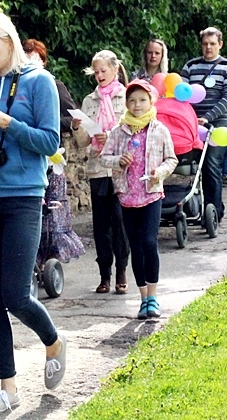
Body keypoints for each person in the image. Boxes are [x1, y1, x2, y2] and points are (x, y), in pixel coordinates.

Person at [0, 11, 66, 416]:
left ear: (9, 40)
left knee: (17, 295)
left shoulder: (40, 82)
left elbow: (50, 141)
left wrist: (8, 122)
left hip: (22, 196)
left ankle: (53, 340)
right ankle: (8, 387)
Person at [100, 79, 177, 320]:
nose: (137, 105)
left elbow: (171, 159)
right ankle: (143, 298)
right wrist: (118, 161)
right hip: (127, 196)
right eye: (132, 100)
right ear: (126, 104)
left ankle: (153, 297)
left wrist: (160, 172)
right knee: (135, 246)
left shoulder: (159, 129)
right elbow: (104, 157)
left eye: (142, 100)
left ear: (151, 102)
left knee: (148, 242)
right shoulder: (118, 131)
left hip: (152, 193)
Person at [22, 39, 85, 266]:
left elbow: (72, 117)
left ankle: (50, 260)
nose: (30, 60)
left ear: (43, 60)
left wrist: (48, 122)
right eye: (26, 55)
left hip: (51, 155)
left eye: (34, 56)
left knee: (50, 208)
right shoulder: (16, 88)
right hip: (27, 156)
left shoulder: (53, 85)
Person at [73, 50, 130, 294]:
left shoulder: (127, 96)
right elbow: (84, 141)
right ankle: (104, 274)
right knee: (101, 225)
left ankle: (122, 271)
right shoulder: (89, 101)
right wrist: (77, 128)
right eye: (95, 72)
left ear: (115, 70)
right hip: (98, 168)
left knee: (120, 222)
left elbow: (135, 131)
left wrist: (112, 135)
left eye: (103, 70)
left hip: (120, 168)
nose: (99, 75)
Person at [180, 27, 227, 222]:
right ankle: (198, 205)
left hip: (217, 124)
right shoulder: (190, 66)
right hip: (192, 124)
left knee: (211, 165)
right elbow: (182, 95)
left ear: (220, 45)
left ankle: (213, 211)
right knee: (193, 167)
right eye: (205, 44)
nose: (208, 47)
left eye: (212, 44)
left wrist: (207, 117)